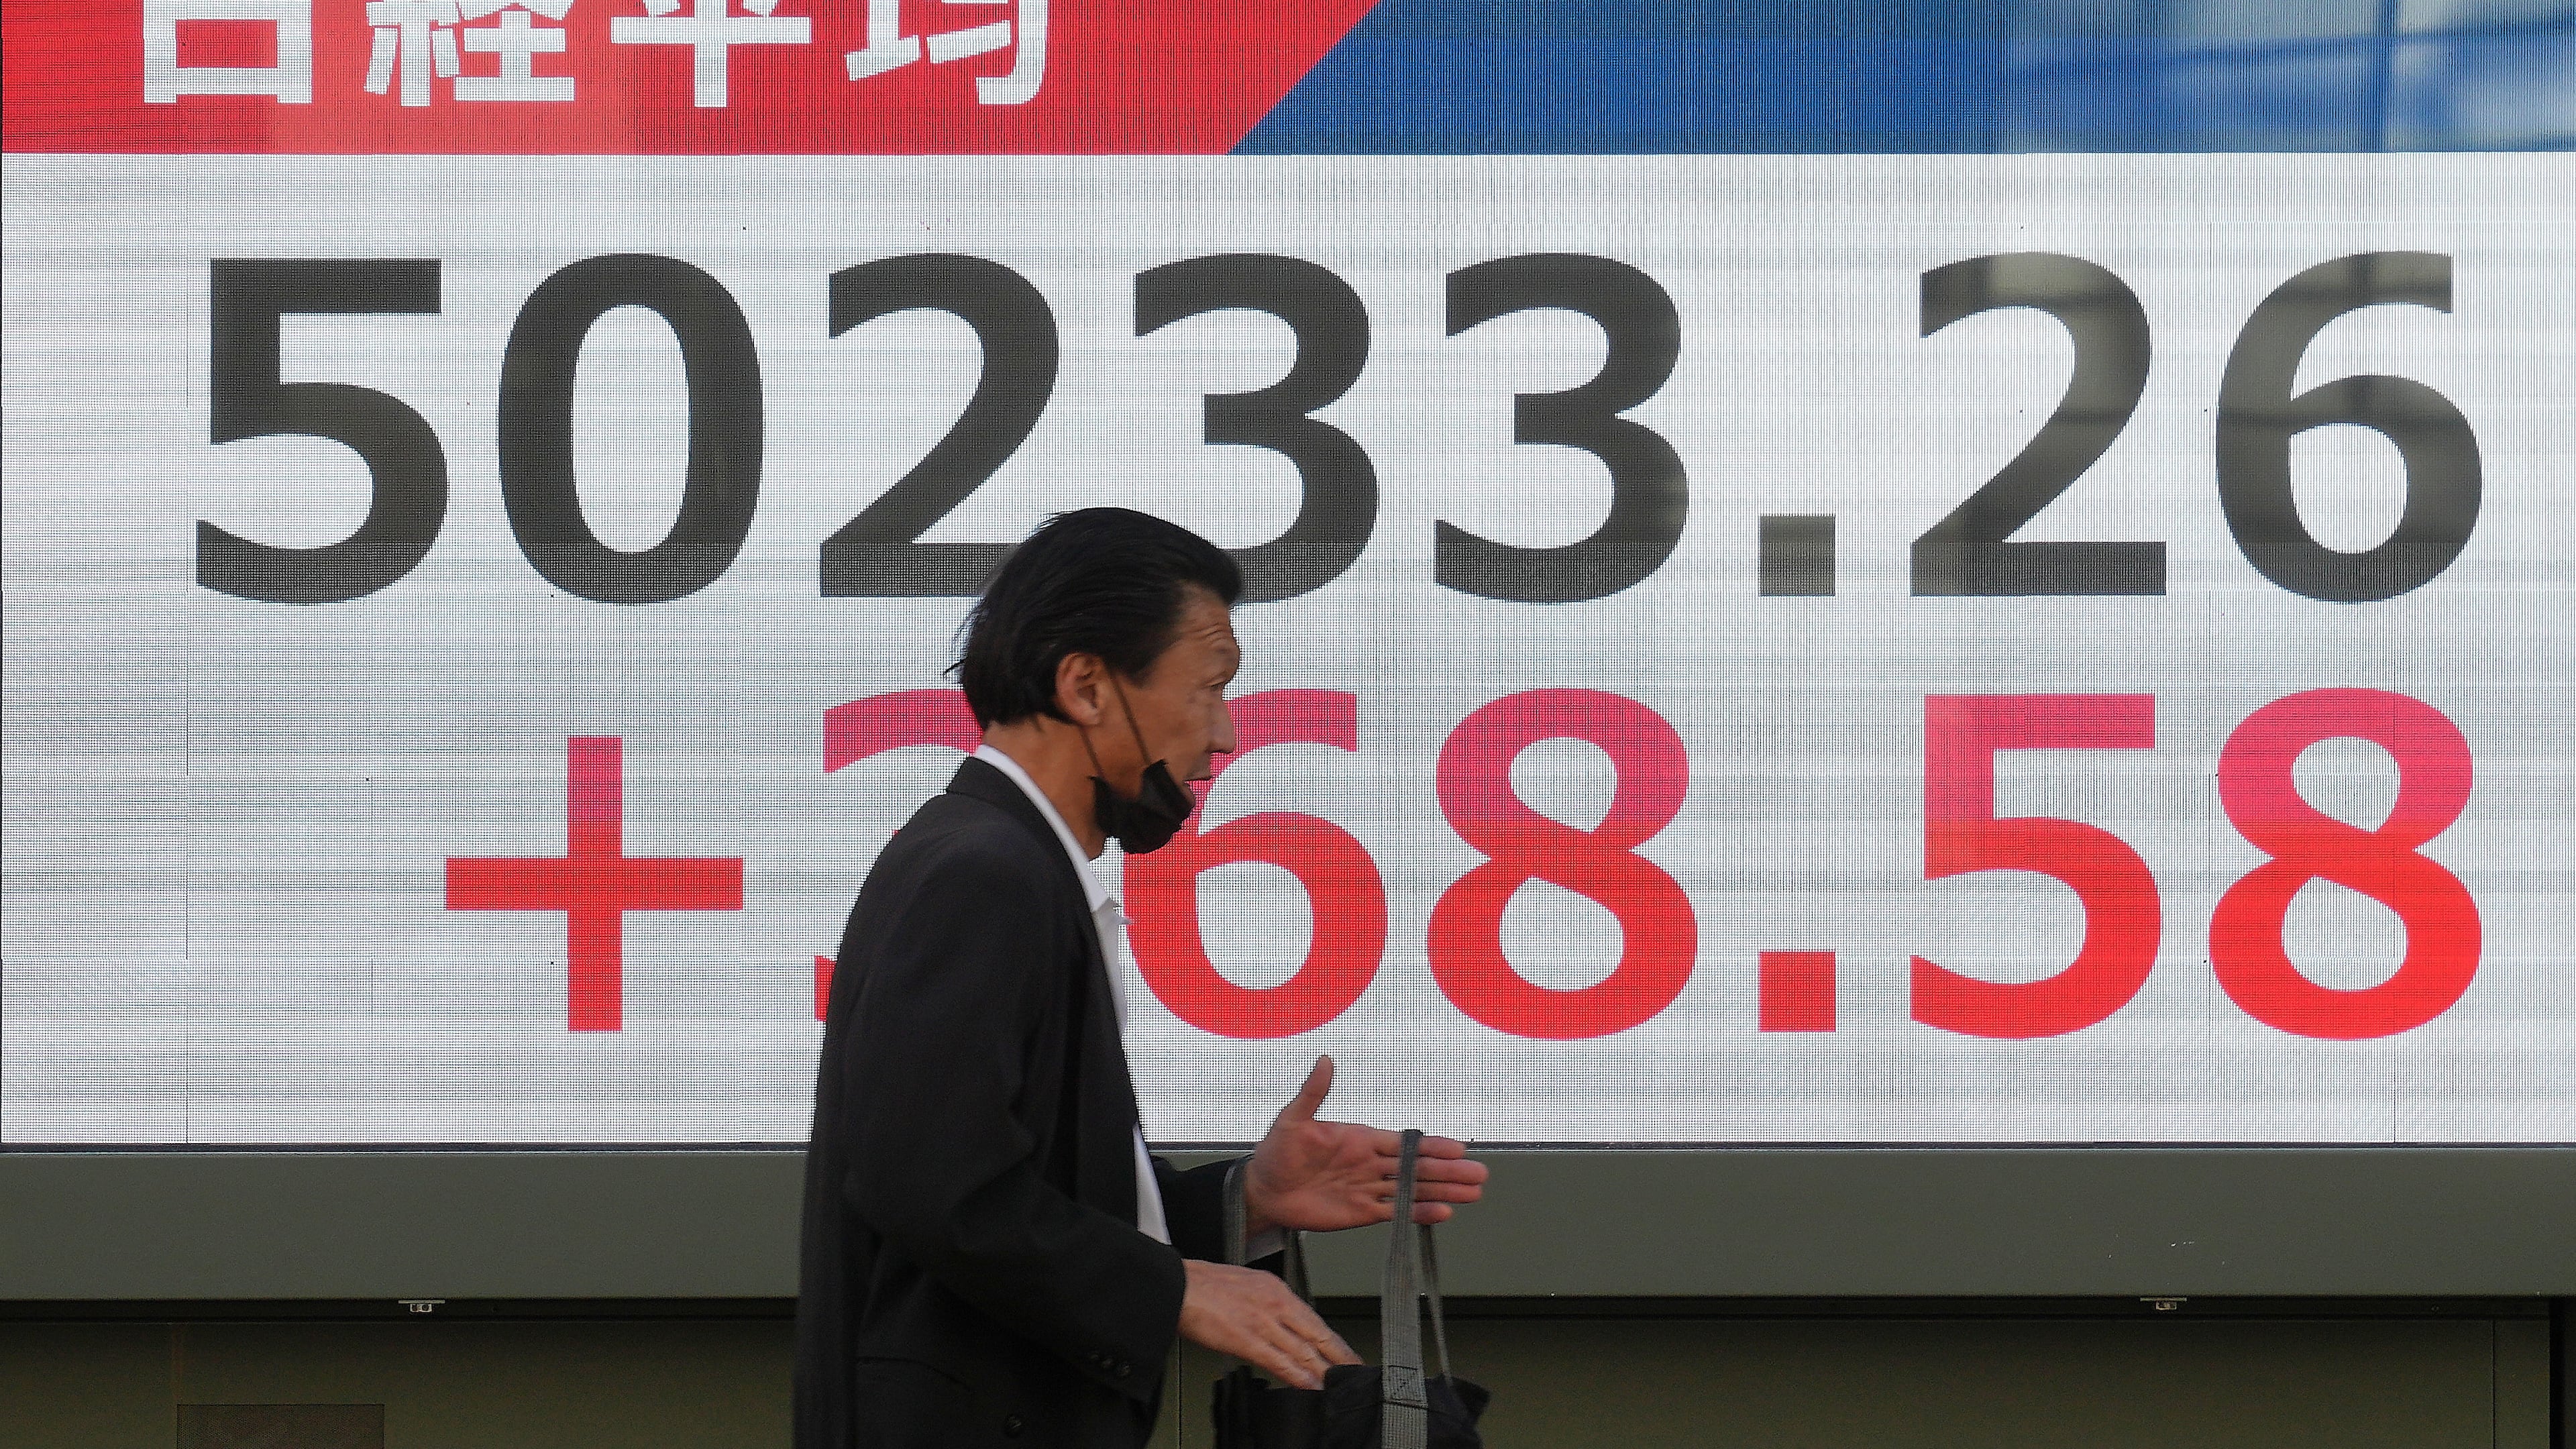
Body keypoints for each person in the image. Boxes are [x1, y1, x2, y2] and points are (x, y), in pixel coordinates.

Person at [795, 508, 1488, 1449]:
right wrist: (1178, 1287)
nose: (1227, 734)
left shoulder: (1001, 861)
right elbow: (932, 1183)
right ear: (1085, 685)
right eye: (1208, 689)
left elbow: (1013, 1187)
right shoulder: (984, 873)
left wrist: (1240, 1202)